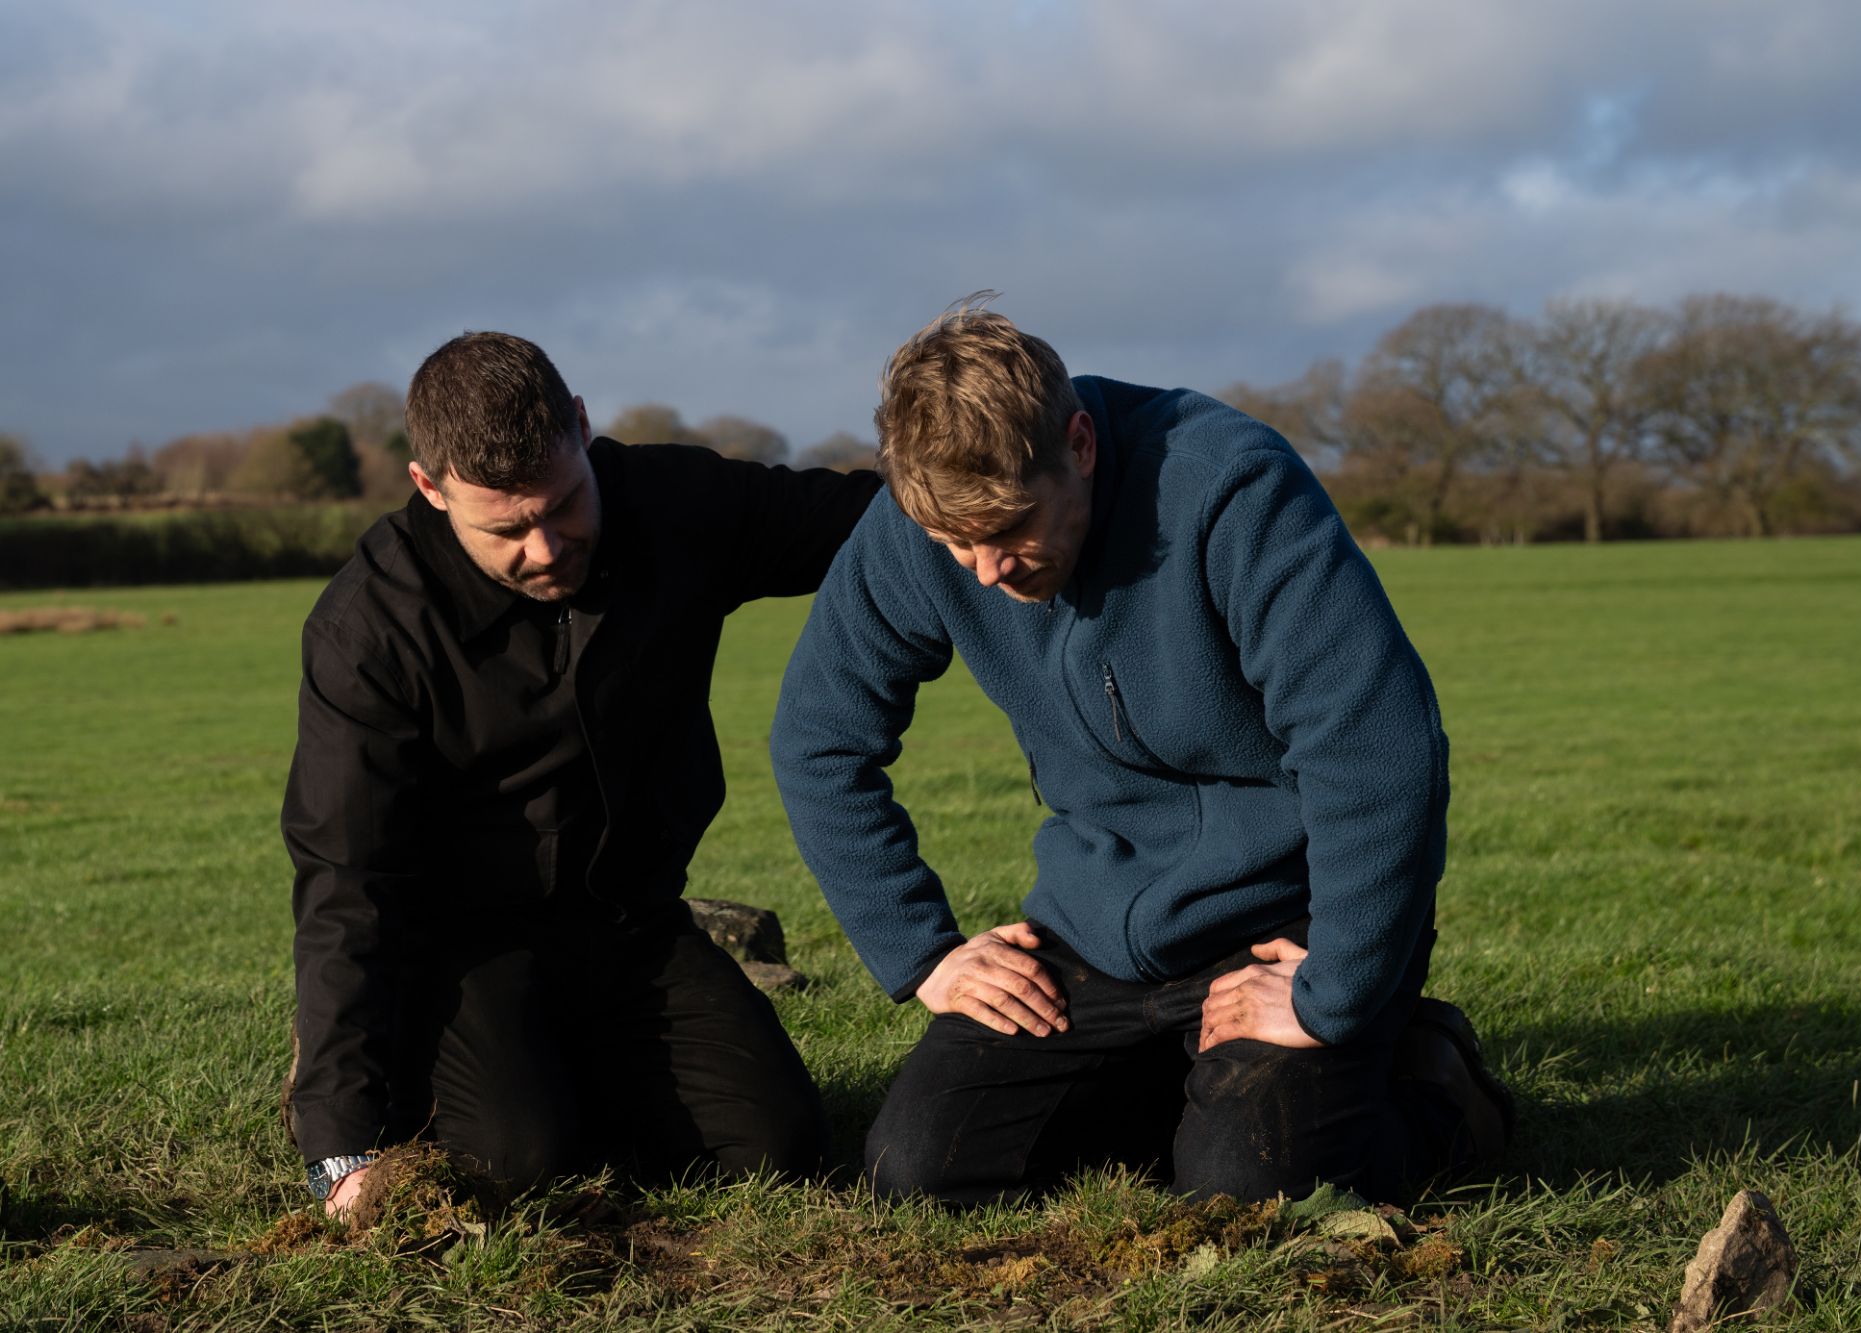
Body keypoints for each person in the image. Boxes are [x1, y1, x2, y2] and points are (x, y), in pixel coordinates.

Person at [770, 297, 1513, 1205]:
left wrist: (1337, 992)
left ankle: (1437, 1085)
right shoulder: (917, 523)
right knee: (918, 1170)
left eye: (1008, 530)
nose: (984, 572)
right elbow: (818, 739)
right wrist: (921, 952)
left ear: (1079, 443)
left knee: (1249, 1192)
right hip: (1098, 924)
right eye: (953, 542)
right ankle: (1197, 1088)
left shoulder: (1231, 488)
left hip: (1289, 918)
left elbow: (1378, 748)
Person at [283, 331, 878, 1215]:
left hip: (632, 928)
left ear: (583, 429)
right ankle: (420, 1076)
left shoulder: (676, 502)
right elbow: (346, 882)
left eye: (564, 503)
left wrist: (1012, 485)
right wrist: (340, 1148)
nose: (547, 544)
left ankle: (565, 1075)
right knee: (517, 1163)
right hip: (459, 950)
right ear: (429, 487)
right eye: (507, 528)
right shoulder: (369, 629)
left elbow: (866, 522)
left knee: (778, 1148)